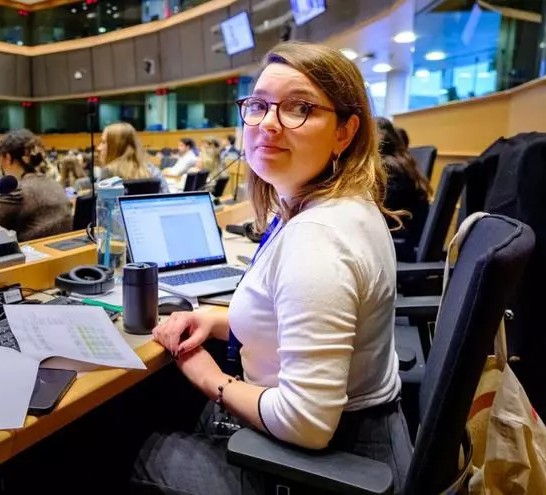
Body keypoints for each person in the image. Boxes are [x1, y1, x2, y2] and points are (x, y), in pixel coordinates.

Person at [133, 41, 411, 494]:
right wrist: (213, 319)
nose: (267, 123)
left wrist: (207, 376)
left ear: (344, 132)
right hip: (355, 442)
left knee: (120, 446)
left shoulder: (318, 239)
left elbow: (306, 423)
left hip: (330, 467)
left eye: (299, 108)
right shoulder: (329, 207)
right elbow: (292, 322)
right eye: (259, 106)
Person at [0, 129, 72, 242]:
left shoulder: (15, 191)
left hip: (32, 252)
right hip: (63, 250)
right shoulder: (54, 183)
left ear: (8, 157)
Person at [377, 117, 431, 261]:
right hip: (403, 238)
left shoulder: (389, 168)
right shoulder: (402, 162)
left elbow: (382, 212)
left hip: (396, 244)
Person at [97, 122, 169, 193]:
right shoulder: (152, 171)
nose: (99, 148)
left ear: (116, 147)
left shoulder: (107, 174)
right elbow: (167, 197)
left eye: (103, 142)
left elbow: (99, 200)